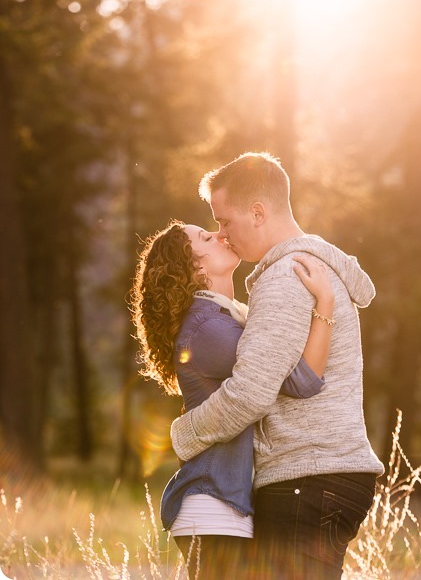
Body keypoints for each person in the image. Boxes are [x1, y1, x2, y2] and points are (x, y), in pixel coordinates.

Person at [170, 152, 385, 580]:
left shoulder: (286, 276)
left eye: (224, 221)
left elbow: (250, 392)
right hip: (322, 473)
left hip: (308, 476)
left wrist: (183, 433)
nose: (222, 233)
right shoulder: (308, 266)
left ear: (257, 212)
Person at [131, 219, 335, 580]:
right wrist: (326, 303)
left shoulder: (228, 317)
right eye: (206, 237)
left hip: (228, 505)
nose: (220, 235)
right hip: (212, 504)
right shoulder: (208, 328)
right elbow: (299, 379)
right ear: (195, 265)